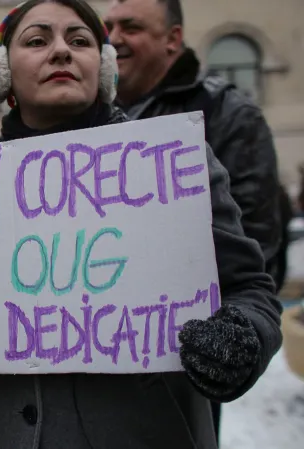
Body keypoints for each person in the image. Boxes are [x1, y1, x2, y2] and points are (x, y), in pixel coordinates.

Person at [0, 1, 283, 448]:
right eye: (37, 40)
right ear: (2, 74)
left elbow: (251, 289)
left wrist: (242, 337)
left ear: (104, 68)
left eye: (79, 41)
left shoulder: (176, 166)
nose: (61, 52)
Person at [102, 0, 282, 437]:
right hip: (89, 350)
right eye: (107, 26)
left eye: (131, 27)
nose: (114, 38)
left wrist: (236, 337)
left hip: (177, 368)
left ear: (173, 39)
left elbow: (254, 256)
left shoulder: (228, 114)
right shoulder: (85, 117)